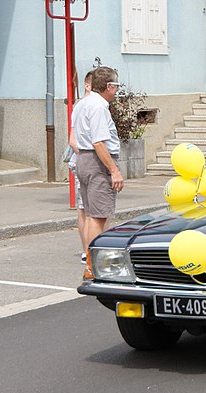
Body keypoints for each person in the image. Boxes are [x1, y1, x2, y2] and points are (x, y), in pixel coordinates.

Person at [74, 66, 125, 274]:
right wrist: (114, 170)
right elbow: (99, 142)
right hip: (97, 162)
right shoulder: (98, 106)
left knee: (88, 214)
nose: (117, 90)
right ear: (108, 86)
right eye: (116, 86)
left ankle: (90, 260)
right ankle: (94, 265)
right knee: (99, 216)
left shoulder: (83, 103)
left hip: (84, 159)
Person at [67, 71, 93, 264]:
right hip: (87, 161)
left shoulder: (79, 106)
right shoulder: (86, 105)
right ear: (87, 85)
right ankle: (89, 252)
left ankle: (87, 250)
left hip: (81, 161)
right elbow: (73, 140)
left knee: (84, 208)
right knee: (90, 210)